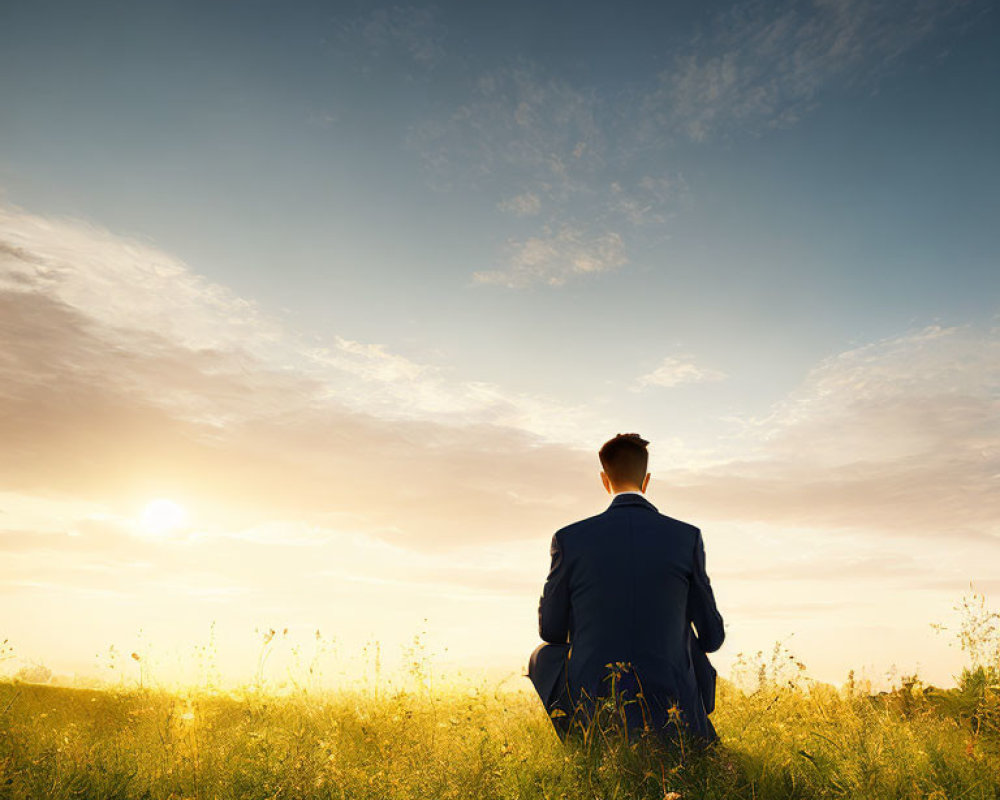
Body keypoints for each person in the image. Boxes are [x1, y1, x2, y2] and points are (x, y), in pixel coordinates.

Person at [528, 433, 725, 745]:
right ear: (646, 481)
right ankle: (690, 729)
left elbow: (551, 632)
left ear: (605, 480)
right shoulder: (687, 537)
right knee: (686, 638)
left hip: (595, 690)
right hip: (672, 689)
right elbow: (713, 638)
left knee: (543, 655)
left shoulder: (569, 538)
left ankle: (584, 737)